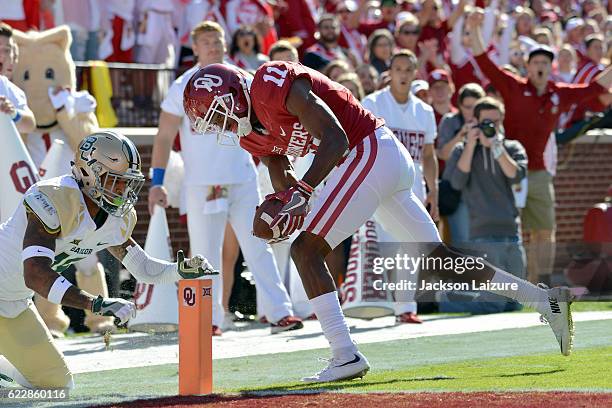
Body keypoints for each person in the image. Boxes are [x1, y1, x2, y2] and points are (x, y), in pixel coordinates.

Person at [183, 60, 576, 383]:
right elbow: (276, 166)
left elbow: (334, 138)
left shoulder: (271, 83)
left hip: (366, 149)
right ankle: (545, 301)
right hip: (374, 160)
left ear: (233, 94)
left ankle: (344, 353)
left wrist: (302, 194)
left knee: (307, 250)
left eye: (216, 115)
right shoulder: (251, 134)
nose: (218, 126)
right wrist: (284, 206)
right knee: (439, 260)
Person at [0, 131, 215, 389]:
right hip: (13, 287)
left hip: (13, 301)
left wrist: (180, 271)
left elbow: (143, 268)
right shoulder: (54, 197)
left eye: (127, 182)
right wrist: (95, 303)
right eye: (116, 181)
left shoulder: (115, 218)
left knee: (56, 385)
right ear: (89, 173)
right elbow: (35, 273)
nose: (123, 190)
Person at [148, 21, 300, 336]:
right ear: (195, 47)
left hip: (242, 176)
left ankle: (279, 311)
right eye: (206, 41)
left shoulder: (242, 77)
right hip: (201, 181)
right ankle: (209, 319)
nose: (213, 46)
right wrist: (157, 180)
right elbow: (164, 137)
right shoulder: (183, 85)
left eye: (217, 40)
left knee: (260, 243)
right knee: (204, 251)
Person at [468, 11, 612, 285]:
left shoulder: (558, 92)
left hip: (539, 173)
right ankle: (510, 286)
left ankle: (541, 284)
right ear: (527, 66)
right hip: (506, 170)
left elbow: (593, 89)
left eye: (545, 62)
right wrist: (475, 28)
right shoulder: (513, 86)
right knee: (509, 230)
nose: (540, 67)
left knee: (544, 231)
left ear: (551, 66)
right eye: (535, 62)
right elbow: (484, 63)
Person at [362, 50, 439, 324]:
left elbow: (429, 155)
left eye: (408, 70)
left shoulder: (425, 110)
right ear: (390, 72)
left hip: (414, 182)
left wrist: (434, 191)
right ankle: (374, 303)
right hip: (380, 183)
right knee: (384, 246)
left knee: (412, 245)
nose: (403, 74)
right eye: (399, 69)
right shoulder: (373, 102)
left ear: (415, 73)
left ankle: (405, 307)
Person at [443, 97, 528, 313]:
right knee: (493, 303)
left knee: (514, 303)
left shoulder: (512, 147)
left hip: (510, 230)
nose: (492, 127)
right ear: (476, 122)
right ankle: (442, 301)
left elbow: (516, 175)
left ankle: (453, 295)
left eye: (496, 122)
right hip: (482, 232)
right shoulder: (463, 149)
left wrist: (497, 147)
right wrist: (472, 143)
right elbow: (457, 182)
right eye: (487, 123)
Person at [437, 83, 485, 245]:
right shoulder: (450, 121)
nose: (472, 112)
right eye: (467, 107)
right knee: (461, 241)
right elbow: (443, 154)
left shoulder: (489, 122)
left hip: (482, 189)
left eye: (476, 107)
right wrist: (462, 134)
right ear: (460, 106)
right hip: (457, 190)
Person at [0, 23, 36, 134]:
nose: (2, 55)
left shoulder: (8, 88)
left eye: (6, 50)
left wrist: (13, 113)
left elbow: (30, 124)